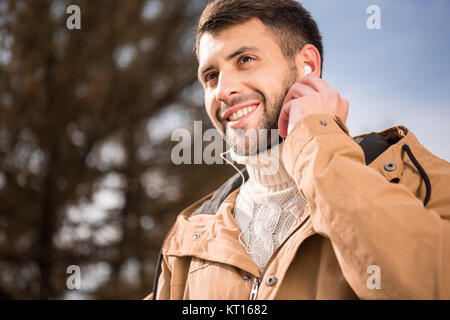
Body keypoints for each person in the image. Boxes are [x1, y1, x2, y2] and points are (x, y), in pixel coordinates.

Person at [145, 0, 450, 299]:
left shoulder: (419, 179)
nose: (223, 91)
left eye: (246, 60)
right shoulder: (188, 237)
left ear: (307, 66)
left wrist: (316, 140)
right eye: (211, 76)